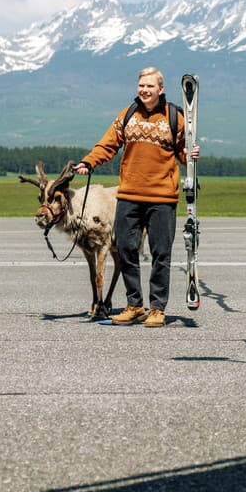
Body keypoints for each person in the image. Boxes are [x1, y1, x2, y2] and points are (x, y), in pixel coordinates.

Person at [73, 67, 200, 328]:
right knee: (127, 251)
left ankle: (157, 308)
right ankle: (134, 305)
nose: (144, 90)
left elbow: (184, 154)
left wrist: (191, 156)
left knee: (160, 253)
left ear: (160, 89)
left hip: (162, 198)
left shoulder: (174, 117)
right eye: (141, 85)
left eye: (150, 86)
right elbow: (107, 144)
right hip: (129, 194)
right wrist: (89, 162)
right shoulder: (127, 115)